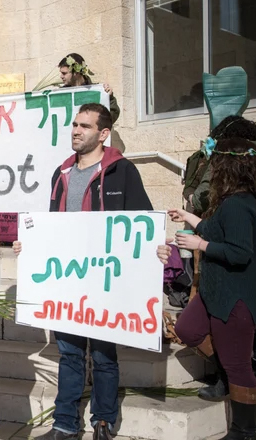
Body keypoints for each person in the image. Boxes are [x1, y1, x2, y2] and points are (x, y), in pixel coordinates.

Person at [15, 103, 169, 440]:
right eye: (74, 124)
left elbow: (141, 222)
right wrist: (31, 246)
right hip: (68, 281)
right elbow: (52, 225)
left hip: (105, 283)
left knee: (103, 356)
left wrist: (156, 249)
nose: (75, 130)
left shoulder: (122, 171)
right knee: (69, 355)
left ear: (103, 133)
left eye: (84, 126)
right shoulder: (62, 174)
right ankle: (64, 423)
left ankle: (104, 421)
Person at [170, 137, 256, 440]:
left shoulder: (239, 204)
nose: (210, 169)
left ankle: (244, 431)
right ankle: (228, 372)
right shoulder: (230, 201)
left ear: (226, 167)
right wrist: (190, 218)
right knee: (188, 329)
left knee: (239, 365)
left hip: (235, 296)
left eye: (214, 163)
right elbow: (219, 231)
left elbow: (240, 253)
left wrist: (199, 244)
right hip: (216, 290)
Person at [185, 116, 256, 398]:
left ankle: (230, 378)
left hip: (233, 246)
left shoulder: (231, 171)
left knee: (237, 312)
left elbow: (204, 197)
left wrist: (194, 204)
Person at [57, 54, 119, 124]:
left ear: (76, 73)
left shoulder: (96, 92)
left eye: (64, 73)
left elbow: (111, 117)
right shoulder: (61, 95)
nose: (61, 76)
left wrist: (109, 98)